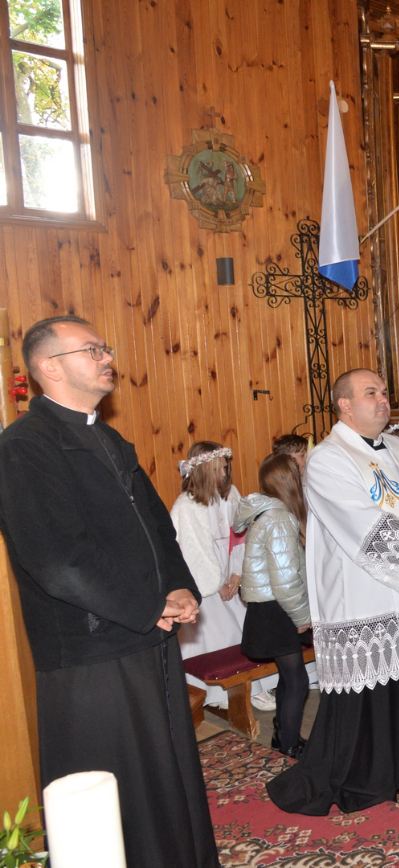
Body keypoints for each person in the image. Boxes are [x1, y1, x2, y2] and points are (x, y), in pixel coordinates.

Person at [0, 315, 218, 868]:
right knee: (117, 791)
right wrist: (150, 605)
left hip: (146, 633)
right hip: (91, 651)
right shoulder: (24, 446)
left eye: (105, 347)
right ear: (50, 367)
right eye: (91, 349)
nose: (106, 357)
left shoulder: (108, 437)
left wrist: (178, 587)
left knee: (166, 772)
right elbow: (58, 561)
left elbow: (156, 527)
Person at [268, 368, 399, 815]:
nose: (384, 400)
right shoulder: (329, 458)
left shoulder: (395, 446)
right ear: (344, 404)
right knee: (367, 697)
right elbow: (364, 526)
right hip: (364, 597)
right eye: (372, 393)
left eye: (385, 393)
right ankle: (366, 785)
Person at [170, 441, 261, 709]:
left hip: (230, 572)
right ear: (201, 470)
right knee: (223, 632)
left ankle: (251, 685)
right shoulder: (186, 506)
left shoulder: (231, 494)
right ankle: (219, 693)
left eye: (225, 468)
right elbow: (192, 551)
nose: (224, 474)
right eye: (218, 469)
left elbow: (241, 535)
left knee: (247, 628)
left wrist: (236, 573)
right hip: (205, 583)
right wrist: (216, 583)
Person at [235, 453, 312, 758]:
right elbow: (284, 579)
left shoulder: (268, 512)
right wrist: (302, 615)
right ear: (289, 481)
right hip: (277, 606)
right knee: (297, 680)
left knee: (287, 674)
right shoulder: (280, 517)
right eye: (299, 474)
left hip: (269, 605)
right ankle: (290, 745)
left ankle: (284, 735)